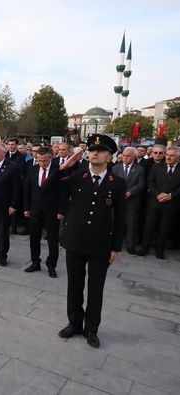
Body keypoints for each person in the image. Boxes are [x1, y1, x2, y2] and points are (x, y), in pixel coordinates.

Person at [57, 134, 126, 349]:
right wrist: (67, 165)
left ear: (110, 156)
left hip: (100, 244)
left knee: (96, 289)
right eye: (91, 149)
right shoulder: (76, 177)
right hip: (75, 240)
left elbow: (121, 218)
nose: (94, 153)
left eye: (100, 150)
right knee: (74, 285)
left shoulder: (117, 183)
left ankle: (91, 329)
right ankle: (74, 323)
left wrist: (116, 247)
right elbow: (51, 186)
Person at [23, 146, 60, 277]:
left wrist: (61, 210)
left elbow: (63, 192)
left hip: (52, 211)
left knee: (52, 239)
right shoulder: (32, 170)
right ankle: (35, 262)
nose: (42, 163)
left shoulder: (57, 170)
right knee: (34, 237)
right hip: (35, 210)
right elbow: (27, 190)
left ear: (51, 157)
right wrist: (26, 208)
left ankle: (51, 265)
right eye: (39, 160)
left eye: (45, 160)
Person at [138, 146, 180, 259]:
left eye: (172, 155)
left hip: (171, 204)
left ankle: (159, 250)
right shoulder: (157, 166)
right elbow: (150, 182)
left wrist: (171, 195)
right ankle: (144, 248)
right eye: (167, 155)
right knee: (149, 226)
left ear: (178, 157)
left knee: (164, 228)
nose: (168, 157)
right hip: (154, 202)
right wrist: (158, 194)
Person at [111, 147, 145, 255]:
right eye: (124, 155)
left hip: (132, 201)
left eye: (128, 156)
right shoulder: (116, 168)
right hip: (117, 200)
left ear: (133, 157)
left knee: (131, 224)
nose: (125, 158)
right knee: (115, 223)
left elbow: (141, 184)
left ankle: (130, 246)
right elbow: (111, 182)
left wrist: (130, 192)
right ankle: (113, 244)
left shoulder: (139, 169)